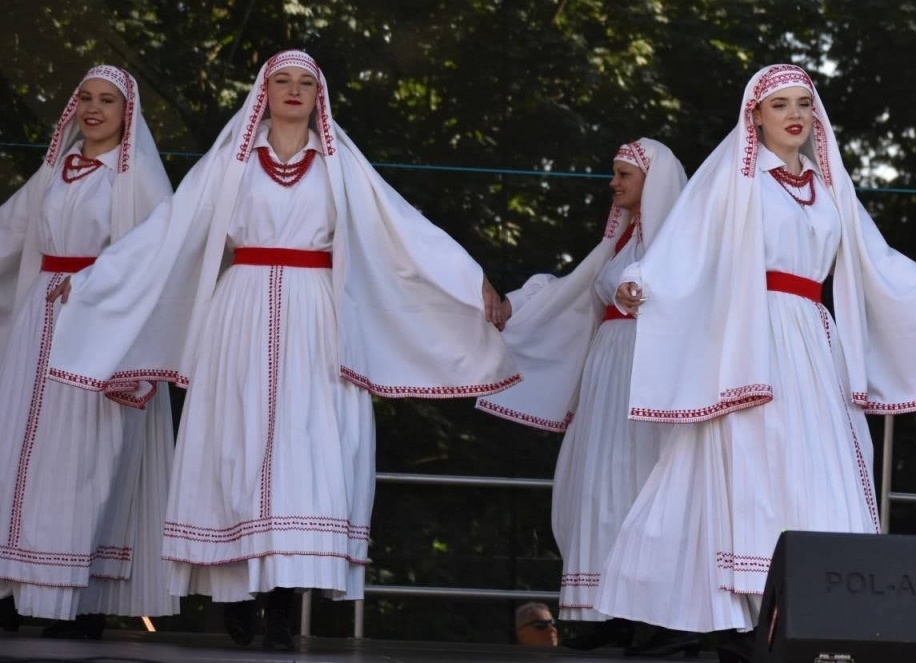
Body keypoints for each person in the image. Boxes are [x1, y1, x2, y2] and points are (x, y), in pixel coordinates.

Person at [44, 50, 518, 650]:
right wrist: (90, 283)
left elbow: (404, 231)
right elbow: (163, 237)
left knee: (307, 446)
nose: (292, 91)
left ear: (318, 95)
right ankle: (242, 593)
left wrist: (470, 280)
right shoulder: (230, 164)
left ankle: (283, 602)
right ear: (262, 92)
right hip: (240, 312)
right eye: (281, 81)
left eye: (304, 83)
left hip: (315, 315)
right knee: (239, 445)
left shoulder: (341, 165)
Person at [592, 64, 916, 656]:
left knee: (814, 465)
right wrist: (640, 281)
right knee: (748, 460)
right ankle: (729, 615)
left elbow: (875, 259)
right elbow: (687, 242)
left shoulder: (830, 188)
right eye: (780, 105)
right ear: (755, 115)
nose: (795, 114)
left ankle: (805, 614)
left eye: (804, 102)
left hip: (811, 338)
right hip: (752, 335)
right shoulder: (738, 177)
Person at [478, 138, 686, 648]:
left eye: (624, 176)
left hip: (649, 368)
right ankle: (609, 610)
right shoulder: (619, 240)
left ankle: (653, 617)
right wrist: (516, 303)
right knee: (599, 483)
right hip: (610, 368)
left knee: (640, 482)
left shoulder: (680, 241)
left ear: (652, 182)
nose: (613, 184)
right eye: (613, 174)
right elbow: (572, 289)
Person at [0, 65, 177, 636]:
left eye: (108, 101)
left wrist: (101, 281)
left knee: (84, 457)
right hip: (41, 320)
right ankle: (13, 587)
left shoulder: (139, 179)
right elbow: (10, 230)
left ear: (129, 115)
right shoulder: (55, 170)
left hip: (98, 332)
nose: (94, 109)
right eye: (86, 98)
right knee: (18, 449)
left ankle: (77, 601)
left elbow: (160, 252)